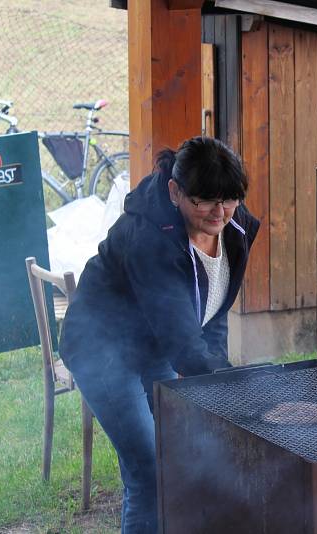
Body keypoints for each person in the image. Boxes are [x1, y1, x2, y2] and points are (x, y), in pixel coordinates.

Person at [60, 136, 259, 533]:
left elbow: (212, 313)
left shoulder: (234, 227)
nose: (220, 211)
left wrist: (222, 377)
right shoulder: (148, 239)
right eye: (205, 200)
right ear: (175, 191)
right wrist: (240, 391)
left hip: (153, 345)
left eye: (229, 199)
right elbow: (184, 346)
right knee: (149, 471)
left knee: (177, 456)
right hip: (101, 351)